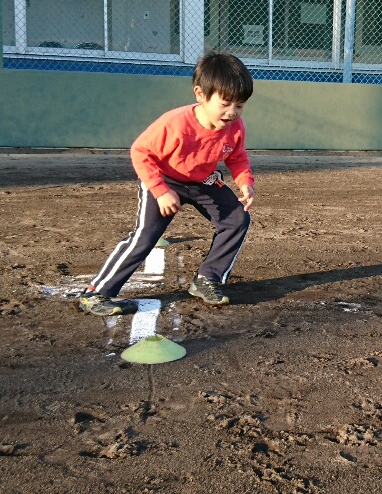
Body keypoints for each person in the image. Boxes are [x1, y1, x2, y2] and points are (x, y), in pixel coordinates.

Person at [78, 53, 256, 316]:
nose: (232, 112)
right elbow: (140, 152)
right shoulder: (175, 123)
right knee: (146, 236)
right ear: (200, 94)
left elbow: (237, 156)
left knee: (237, 219)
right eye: (225, 103)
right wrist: (160, 191)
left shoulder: (235, 126)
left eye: (239, 105)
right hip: (164, 179)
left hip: (202, 181)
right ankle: (97, 293)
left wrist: (245, 182)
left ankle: (208, 279)